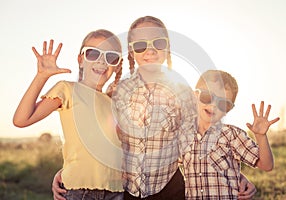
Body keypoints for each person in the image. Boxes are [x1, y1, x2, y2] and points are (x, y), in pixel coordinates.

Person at [52, 16, 257, 200]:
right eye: (141, 45)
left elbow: (201, 138)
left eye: (158, 43)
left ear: (167, 47)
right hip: (126, 191)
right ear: (132, 52)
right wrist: (66, 172)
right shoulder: (118, 91)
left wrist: (233, 172)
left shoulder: (183, 92)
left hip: (170, 189)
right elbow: (96, 137)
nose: (150, 51)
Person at [13, 29, 124, 200]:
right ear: (80, 60)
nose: (102, 61)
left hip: (117, 192)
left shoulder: (114, 103)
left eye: (111, 57)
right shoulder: (68, 90)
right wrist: (41, 77)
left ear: (117, 65)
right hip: (81, 192)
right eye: (93, 53)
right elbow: (21, 119)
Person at [182, 69, 280, 199]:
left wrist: (261, 136)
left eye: (223, 103)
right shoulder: (182, 135)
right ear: (195, 96)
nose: (214, 105)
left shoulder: (232, 135)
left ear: (228, 109)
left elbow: (266, 165)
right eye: (208, 97)